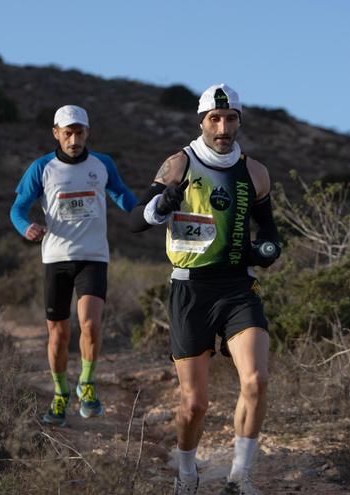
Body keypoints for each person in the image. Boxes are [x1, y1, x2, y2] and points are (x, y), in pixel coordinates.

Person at [129, 84, 281, 495]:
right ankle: (187, 473)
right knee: (195, 404)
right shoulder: (179, 163)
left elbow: (268, 232)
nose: (223, 127)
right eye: (215, 119)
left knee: (256, 381)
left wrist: (267, 250)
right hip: (190, 291)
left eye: (230, 119)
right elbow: (136, 221)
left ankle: (239, 477)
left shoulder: (256, 172)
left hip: (237, 288)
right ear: (202, 122)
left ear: (239, 122)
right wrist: (162, 204)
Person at [10, 104, 137, 427]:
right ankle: (59, 394)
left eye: (79, 132)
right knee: (58, 335)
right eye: (67, 133)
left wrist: (149, 210)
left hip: (93, 256)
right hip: (56, 259)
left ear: (87, 133)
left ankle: (88, 385)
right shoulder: (42, 168)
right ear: (56, 133)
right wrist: (26, 227)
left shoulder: (102, 164)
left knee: (91, 325)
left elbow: (123, 196)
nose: (74, 139)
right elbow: (18, 209)